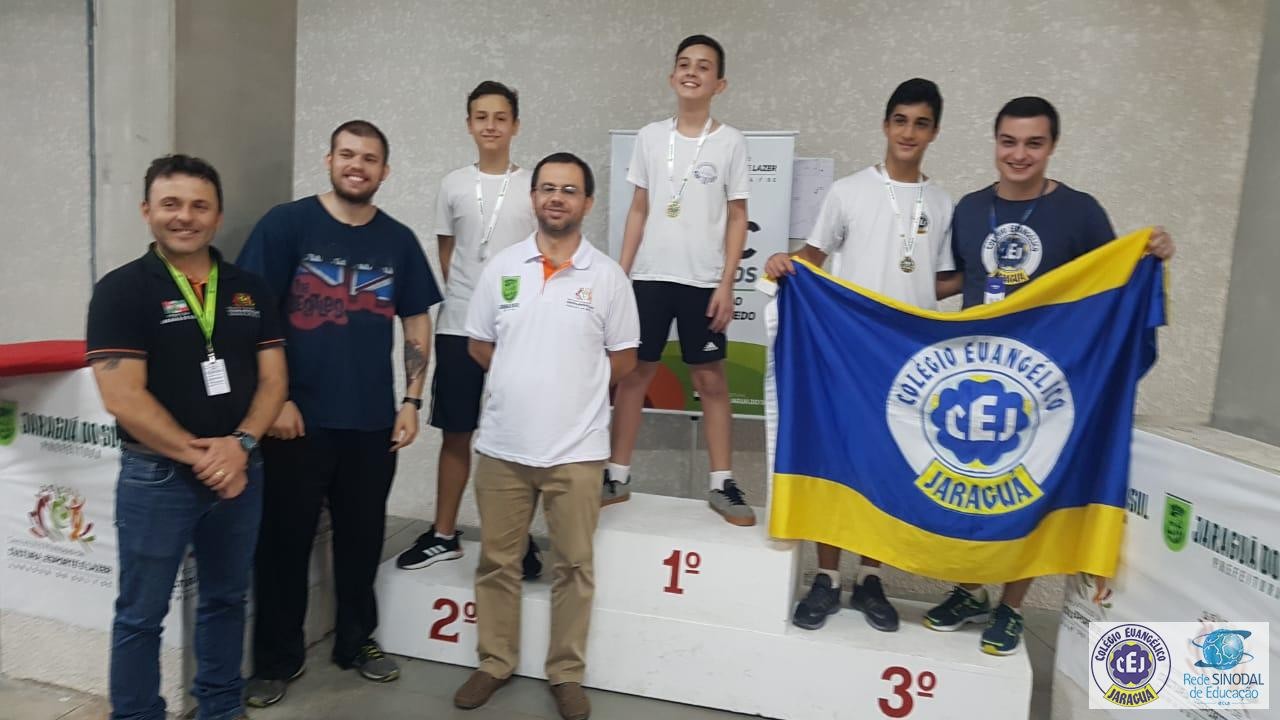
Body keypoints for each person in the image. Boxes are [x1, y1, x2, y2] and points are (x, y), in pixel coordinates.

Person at [926, 96, 1175, 655]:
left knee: (1029, 492)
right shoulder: (968, 208)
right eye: (1008, 141)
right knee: (972, 488)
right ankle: (970, 591)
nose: (1019, 154)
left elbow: (1113, 284)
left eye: (1033, 143)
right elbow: (953, 281)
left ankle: (1012, 607)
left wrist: (1153, 253)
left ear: (1052, 147)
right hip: (977, 376)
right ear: (994, 142)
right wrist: (843, 284)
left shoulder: (1081, 211)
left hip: (1048, 385)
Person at [237, 120, 443, 705]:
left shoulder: (398, 240)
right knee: (283, 543)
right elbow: (252, 313)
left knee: (361, 538)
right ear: (329, 159)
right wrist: (275, 401)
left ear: (385, 170)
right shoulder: (286, 225)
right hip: (295, 419)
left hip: (371, 421)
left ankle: (357, 641)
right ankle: (276, 660)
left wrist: (411, 400)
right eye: (348, 154)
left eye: (370, 158)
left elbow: (416, 321)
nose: (358, 165)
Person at [86, 154, 288, 720]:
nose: (185, 217)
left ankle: (221, 709)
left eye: (199, 205)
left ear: (217, 215)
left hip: (242, 471)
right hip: (158, 476)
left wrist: (241, 446)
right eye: (171, 204)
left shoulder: (250, 289)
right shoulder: (121, 291)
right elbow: (122, 396)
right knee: (141, 614)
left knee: (226, 600)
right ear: (147, 211)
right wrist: (206, 456)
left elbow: (274, 380)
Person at [452, 153, 639, 720]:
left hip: (577, 453)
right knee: (498, 562)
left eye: (570, 190)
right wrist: (525, 379)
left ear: (587, 203)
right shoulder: (502, 268)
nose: (557, 198)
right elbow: (479, 345)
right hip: (504, 447)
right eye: (548, 189)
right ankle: (495, 662)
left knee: (574, 567)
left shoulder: (607, 276)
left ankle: (566, 673)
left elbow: (624, 360)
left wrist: (570, 389)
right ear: (533, 199)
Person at [764, 79, 954, 633]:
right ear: (885, 124)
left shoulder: (943, 204)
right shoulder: (848, 192)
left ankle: (871, 579)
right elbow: (814, 259)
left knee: (889, 469)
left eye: (921, 123)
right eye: (900, 120)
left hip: (908, 362)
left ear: (934, 131)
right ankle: (825, 577)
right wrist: (783, 261)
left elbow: (939, 282)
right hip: (847, 356)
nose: (909, 132)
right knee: (840, 466)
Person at [395, 81, 541, 576]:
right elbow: (448, 251)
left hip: (517, 329)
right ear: (468, 124)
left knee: (515, 436)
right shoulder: (453, 183)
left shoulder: (532, 185)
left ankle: (516, 540)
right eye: (481, 117)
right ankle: (443, 534)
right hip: (459, 326)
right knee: (456, 431)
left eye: (500, 118)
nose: (491, 126)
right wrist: (468, 297)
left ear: (515, 125)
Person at [607, 34, 753, 525]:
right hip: (649, 277)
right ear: (672, 76)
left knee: (711, 380)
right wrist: (619, 275)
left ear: (720, 83)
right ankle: (616, 474)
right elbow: (639, 208)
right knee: (633, 375)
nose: (692, 72)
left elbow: (737, 217)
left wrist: (727, 283)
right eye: (684, 64)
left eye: (704, 67)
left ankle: (721, 483)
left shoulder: (730, 142)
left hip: (702, 282)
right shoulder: (650, 137)